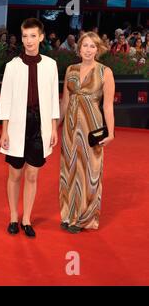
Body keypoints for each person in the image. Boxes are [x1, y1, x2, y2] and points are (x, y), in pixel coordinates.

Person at [0, 18, 59, 238]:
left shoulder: (50, 65)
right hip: (17, 124)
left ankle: (27, 219)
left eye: (33, 36)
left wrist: (53, 128)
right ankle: (14, 216)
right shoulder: (12, 66)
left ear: (41, 37)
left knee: (32, 174)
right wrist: (4, 131)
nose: (29, 41)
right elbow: (5, 100)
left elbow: (53, 99)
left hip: (40, 125)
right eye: (25, 36)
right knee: (15, 174)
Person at [59, 32, 115, 234]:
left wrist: (111, 132)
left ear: (98, 49)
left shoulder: (104, 72)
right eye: (85, 46)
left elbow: (108, 106)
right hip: (70, 127)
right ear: (79, 48)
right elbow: (65, 101)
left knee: (89, 171)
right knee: (70, 169)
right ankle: (68, 214)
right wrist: (55, 126)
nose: (88, 50)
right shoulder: (70, 70)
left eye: (92, 46)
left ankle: (83, 218)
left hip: (92, 126)